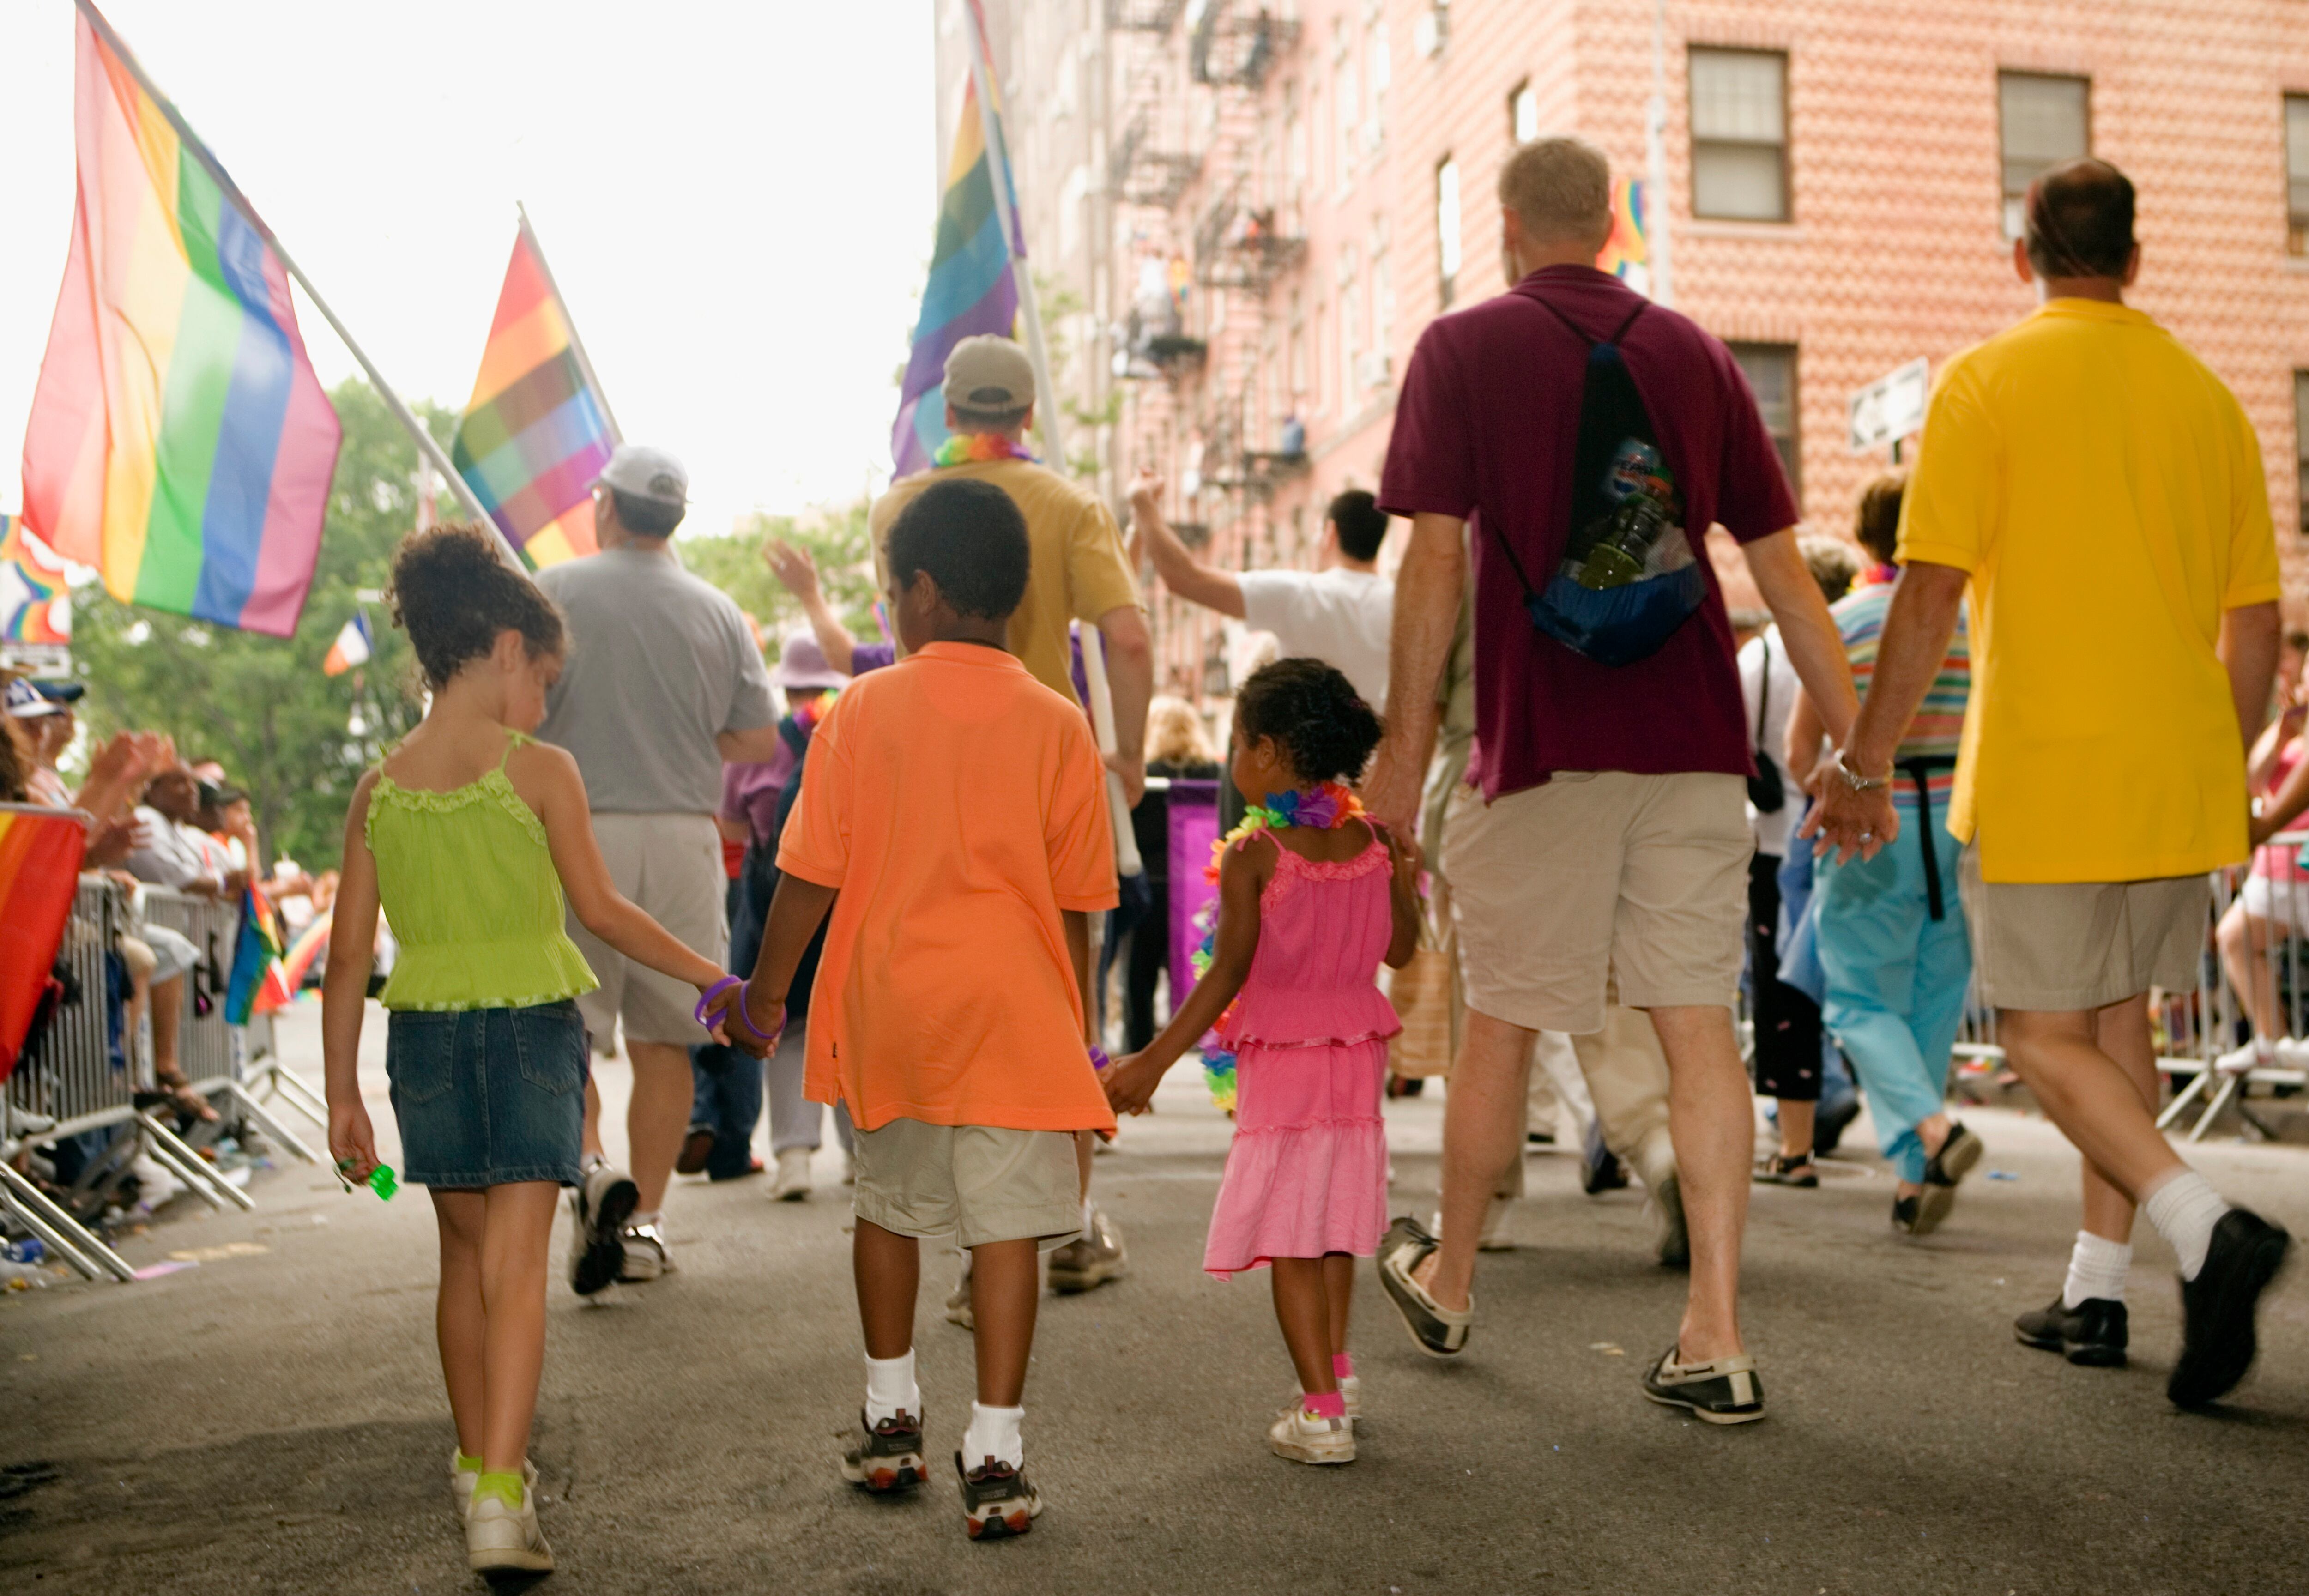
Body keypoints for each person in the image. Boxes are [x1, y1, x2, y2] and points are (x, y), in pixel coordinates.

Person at [1361, 136, 1858, 1425]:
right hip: (1691, 745)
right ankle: (1718, 1334)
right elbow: (1787, 576)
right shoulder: (1697, 355)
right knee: (1701, 1035)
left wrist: (1403, 749)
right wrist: (1855, 753)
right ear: (1613, 225)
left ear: (1513, 222)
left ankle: (1454, 1277)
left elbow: (1430, 563)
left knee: (1507, 1029)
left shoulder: (1461, 348)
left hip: (1539, 749)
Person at [1808, 158, 2290, 1401]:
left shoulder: (1987, 383)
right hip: (2179, 773)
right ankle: (2094, 1289)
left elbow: (1926, 597)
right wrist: (2228, 774)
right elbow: (2257, 624)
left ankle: (2204, 1229)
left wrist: (1864, 757)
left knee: (2035, 1033)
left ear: (2026, 254)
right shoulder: (2210, 400)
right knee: (2114, 1018)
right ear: (2134, 256)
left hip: (2052, 767)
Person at [321, 524, 737, 1574]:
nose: (546, 706)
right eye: (545, 680)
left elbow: (345, 958)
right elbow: (603, 911)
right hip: (529, 1036)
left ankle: (478, 1460)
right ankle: (502, 1501)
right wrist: (714, 978)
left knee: (462, 1262)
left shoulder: (380, 790)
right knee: (516, 1270)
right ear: (507, 648)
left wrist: (343, 1098)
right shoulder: (538, 770)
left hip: (422, 1045)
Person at [730, 479, 1118, 1538]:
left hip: (896, 1005)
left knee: (888, 1209)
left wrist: (766, 996)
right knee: (1004, 1236)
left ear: (929, 592)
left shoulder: (866, 707)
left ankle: (891, 1414)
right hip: (1019, 1010)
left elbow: (807, 872)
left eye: (894, 588)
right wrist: (1075, 1036)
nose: (890, 607)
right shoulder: (1057, 719)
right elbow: (1082, 900)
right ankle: (996, 1450)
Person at [870, 335, 1153, 1301]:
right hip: (1046, 768)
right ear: (1026, 415)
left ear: (949, 413)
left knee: (940, 985)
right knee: (1058, 1003)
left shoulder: (899, 506)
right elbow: (1127, 636)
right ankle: (1055, 1226)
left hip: (926, 781)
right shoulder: (1070, 505)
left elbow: (896, 636)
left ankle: (946, 1220)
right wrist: (1132, 756)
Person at [1105, 659, 1419, 1465]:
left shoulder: (1258, 854)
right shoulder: (1376, 842)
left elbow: (1228, 971)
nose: (1232, 759)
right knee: (1339, 1226)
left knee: (1291, 1236)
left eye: (1239, 743)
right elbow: (1402, 950)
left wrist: (1150, 1061)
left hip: (1284, 1068)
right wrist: (1407, 882)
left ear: (1272, 753)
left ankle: (1322, 1416)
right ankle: (1338, 1377)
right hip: (1354, 1067)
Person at [532, 443, 783, 1289]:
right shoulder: (717, 610)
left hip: (578, 825)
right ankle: (644, 1228)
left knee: (567, 1028)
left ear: (606, 505)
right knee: (669, 1037)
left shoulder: (556, 591)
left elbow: (519, 710)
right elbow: (758, 738)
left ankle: (595, 1167)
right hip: (684, 833)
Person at [1786, 477, 1978, 1233]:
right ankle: (1911, 1181)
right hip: (1957, 823)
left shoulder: (1846, 621)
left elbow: (1803, 753)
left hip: (1870, 822)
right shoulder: (1967, 622)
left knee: (1859, 1000)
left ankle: (1934, 1133)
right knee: (1931, 1003)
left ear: (1867, 537)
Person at [689, 631, 859, 1197]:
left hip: (776, 902)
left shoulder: (762, 747)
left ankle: (794, 1159)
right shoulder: (856, 728)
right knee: (850, 1027)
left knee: (785, 1032)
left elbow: (733, 828)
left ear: (785, 688)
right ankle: (860, 1155)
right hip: (849, 906)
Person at [1742, 534, 1862, 1187]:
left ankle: (1794, 1146)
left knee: (1783, 990)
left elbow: (1746, 743)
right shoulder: (1855, 644)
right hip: (1856, 836)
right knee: (1854, 976)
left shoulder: (1759, 658)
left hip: (1775, 842)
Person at [1130, 472, 1396, 711]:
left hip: (1308, 761)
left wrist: (1144, 505)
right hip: (1379, 761)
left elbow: (1186, 579)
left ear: (1330, 532)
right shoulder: (1400, 605)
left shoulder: (1299, 594)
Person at [2210, 640, 2309, 1075]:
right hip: (2279, 865)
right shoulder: (2288, 732)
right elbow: (2251, 778)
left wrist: (2263, 826)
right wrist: (2282, 733)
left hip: (2295, 859)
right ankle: (2270, 1038)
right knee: (2235, 938)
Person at [1124, 698, 1224, 1051]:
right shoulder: (1215, 774)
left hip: (1153, 884)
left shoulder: (1146, 774)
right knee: (1209, 971)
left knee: (1141, 976)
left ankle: (1138, 1053)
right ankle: (1217, 1052)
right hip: (1200, 889)